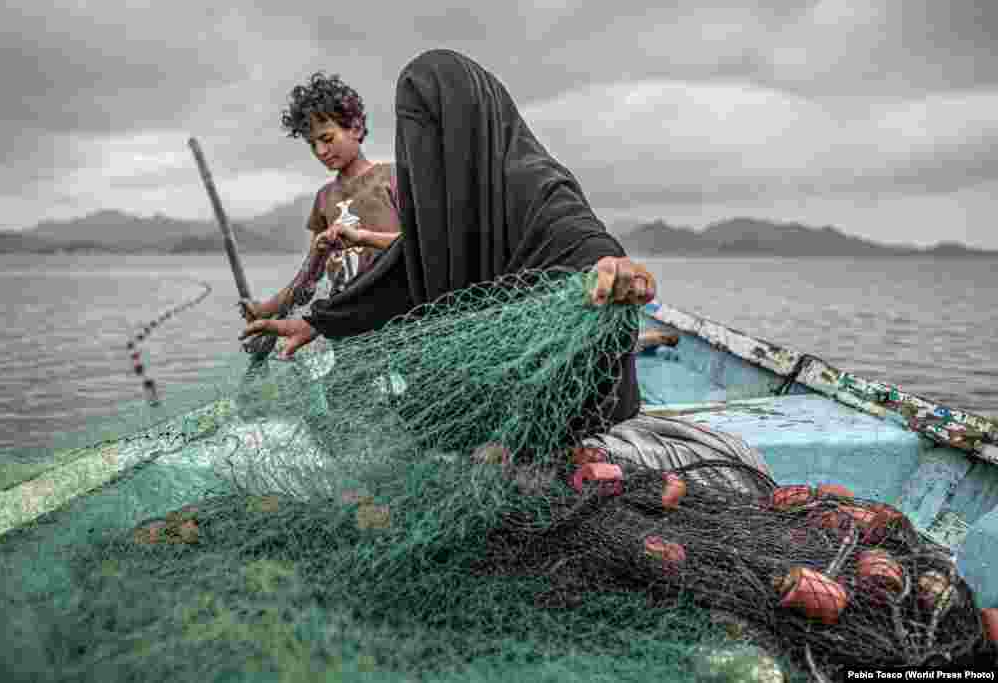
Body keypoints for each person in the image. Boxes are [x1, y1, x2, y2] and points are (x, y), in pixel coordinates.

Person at [240, 49, 770, 489]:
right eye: (414, 131)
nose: (423, 147)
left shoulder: (532, 182)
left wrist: (615, 268)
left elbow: (578, 235)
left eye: (431, 128)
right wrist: (319, 321)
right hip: (494, 407)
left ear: (470, 120)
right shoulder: (443, 201)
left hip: (566, 413)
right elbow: (405, 268)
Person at [240, 71, 402, 323]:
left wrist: (363, 237)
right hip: (348, 324)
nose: (320, 151)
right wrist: (265, 310)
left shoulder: (391, 178)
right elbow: (309, 277)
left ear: (356, 128)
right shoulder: (324, 198)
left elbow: (418, 246)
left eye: (327, 138)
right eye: (312, 144)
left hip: (396, 316)